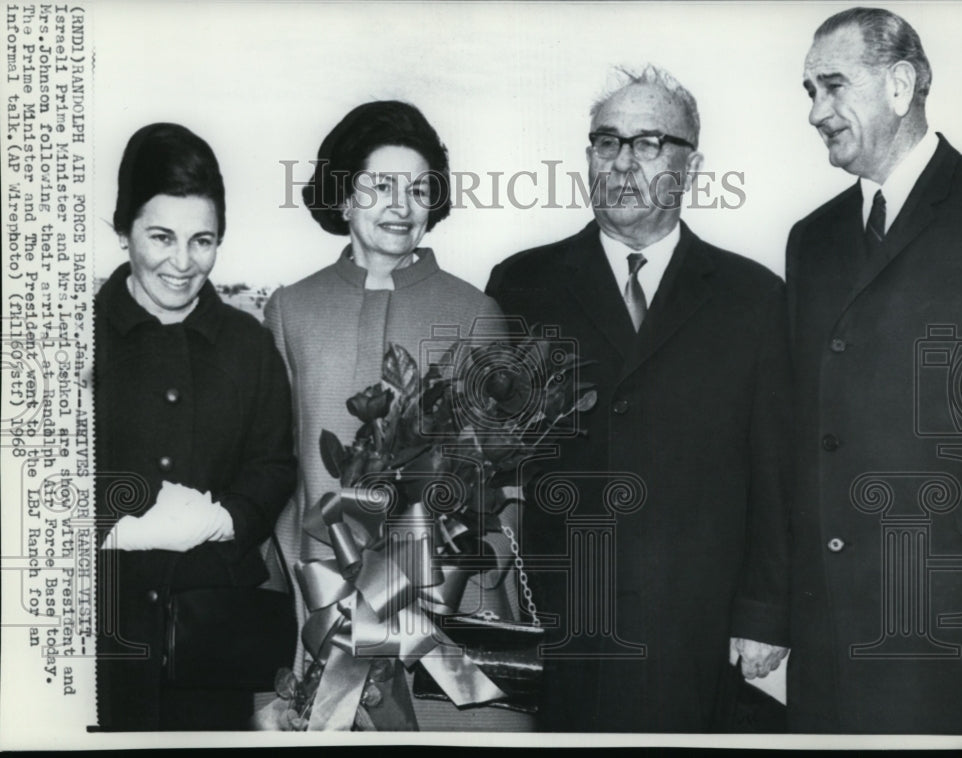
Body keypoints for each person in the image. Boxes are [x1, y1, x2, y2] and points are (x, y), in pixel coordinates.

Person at [486, 65, 792, 732]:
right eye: (607, 142)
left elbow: (774, 470)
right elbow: (494, 459)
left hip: (692, 627)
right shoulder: (520, 287)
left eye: (650, 143)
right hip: (558, 621)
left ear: (693, 164)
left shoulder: (755, 299)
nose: (623, 163)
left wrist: (763, 613)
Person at [264, 100, 531, 731]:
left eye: (417, 189)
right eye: (379, 185)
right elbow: (281, 477)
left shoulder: (475, 312)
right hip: (320, 620)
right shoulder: (290, 310)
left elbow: (502, 477)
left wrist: (453, 577)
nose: (400, 206)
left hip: (445, 625)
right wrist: (310, 596)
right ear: (343, 195)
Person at [786, 7, 962, 734]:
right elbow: (801, 435)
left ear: (900, 85)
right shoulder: (812, 239)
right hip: (828, 635)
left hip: (950, 633)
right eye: (809, 91)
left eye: (833, 86)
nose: (816, 112)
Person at [94, 123, 297, 730]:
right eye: (161, 237)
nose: (182, 264)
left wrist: (226, 518)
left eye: (202, 241)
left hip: (214, 641)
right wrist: (117, 529)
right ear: (124, 228)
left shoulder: (250, 345)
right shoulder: (69, 337)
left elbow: (273, 465)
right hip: (100, 635)